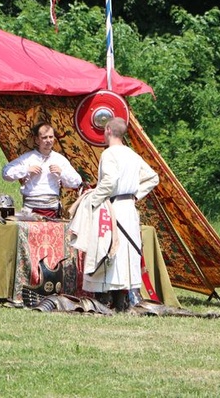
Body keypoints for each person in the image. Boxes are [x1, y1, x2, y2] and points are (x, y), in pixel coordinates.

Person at [68, 117, 159, 312]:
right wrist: (134, 195)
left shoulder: (109, 154)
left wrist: (92, 201)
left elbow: (109, 181)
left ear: (108, 129)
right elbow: (153, 177)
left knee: (108, 250)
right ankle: (121, 301)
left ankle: (106, 300)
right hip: (128, 207)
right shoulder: (132, 155)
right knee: (123, 252)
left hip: (113, 207)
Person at [2, 122, 82, 218]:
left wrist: (62, 173)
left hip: (52, 209)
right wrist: (26, 170)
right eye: (44, 138)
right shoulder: (28, 158)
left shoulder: (60, 159)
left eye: (51, 137)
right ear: (37, 140)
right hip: (30, 209)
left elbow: (77, 182)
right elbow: (6, 173)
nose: (48, 140)